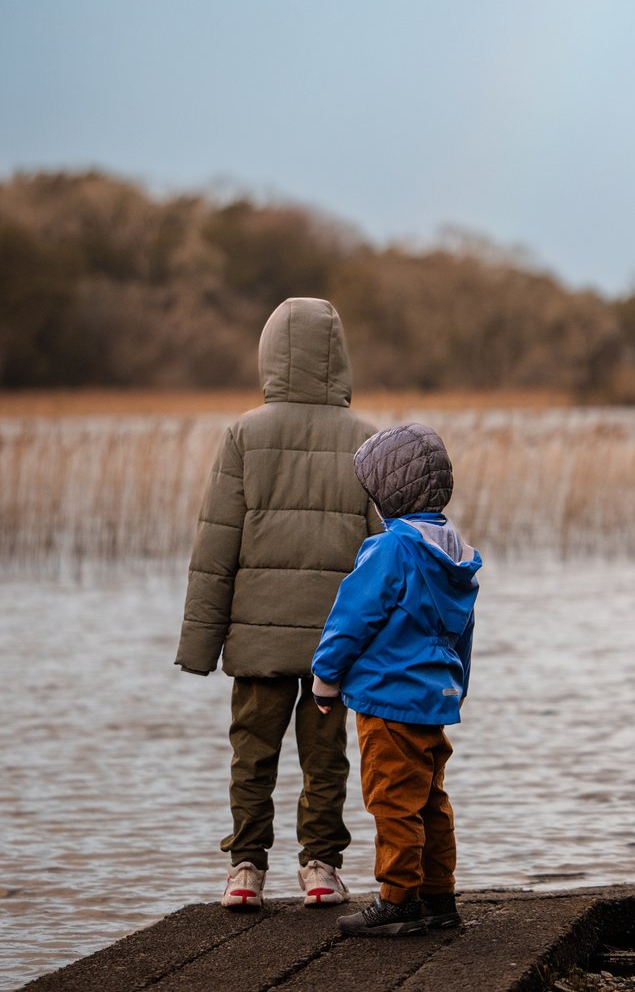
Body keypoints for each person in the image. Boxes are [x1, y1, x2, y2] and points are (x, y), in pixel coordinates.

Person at [175, 296, 380, 910]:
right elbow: (382, 551)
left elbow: (217, 546)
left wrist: (199, 646)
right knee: (326, 758)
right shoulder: (367, 438)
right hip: (333, 638)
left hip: (256, 636)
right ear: (337, 360)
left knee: (251, 752)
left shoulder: (244, 434)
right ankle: (320, 868)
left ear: (270, 357)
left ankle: (245, 870)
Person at [311, 422, 481, 937]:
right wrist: (457, 688)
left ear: (388, 497)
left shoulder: (390, 550)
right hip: (434, 700)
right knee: (431, 801)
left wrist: (325, 678)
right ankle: (439, 898)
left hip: (388, 702)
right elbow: (463, 636)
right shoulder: (455, 554)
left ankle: (398, 900)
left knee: (391, 800)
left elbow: (351, 618)